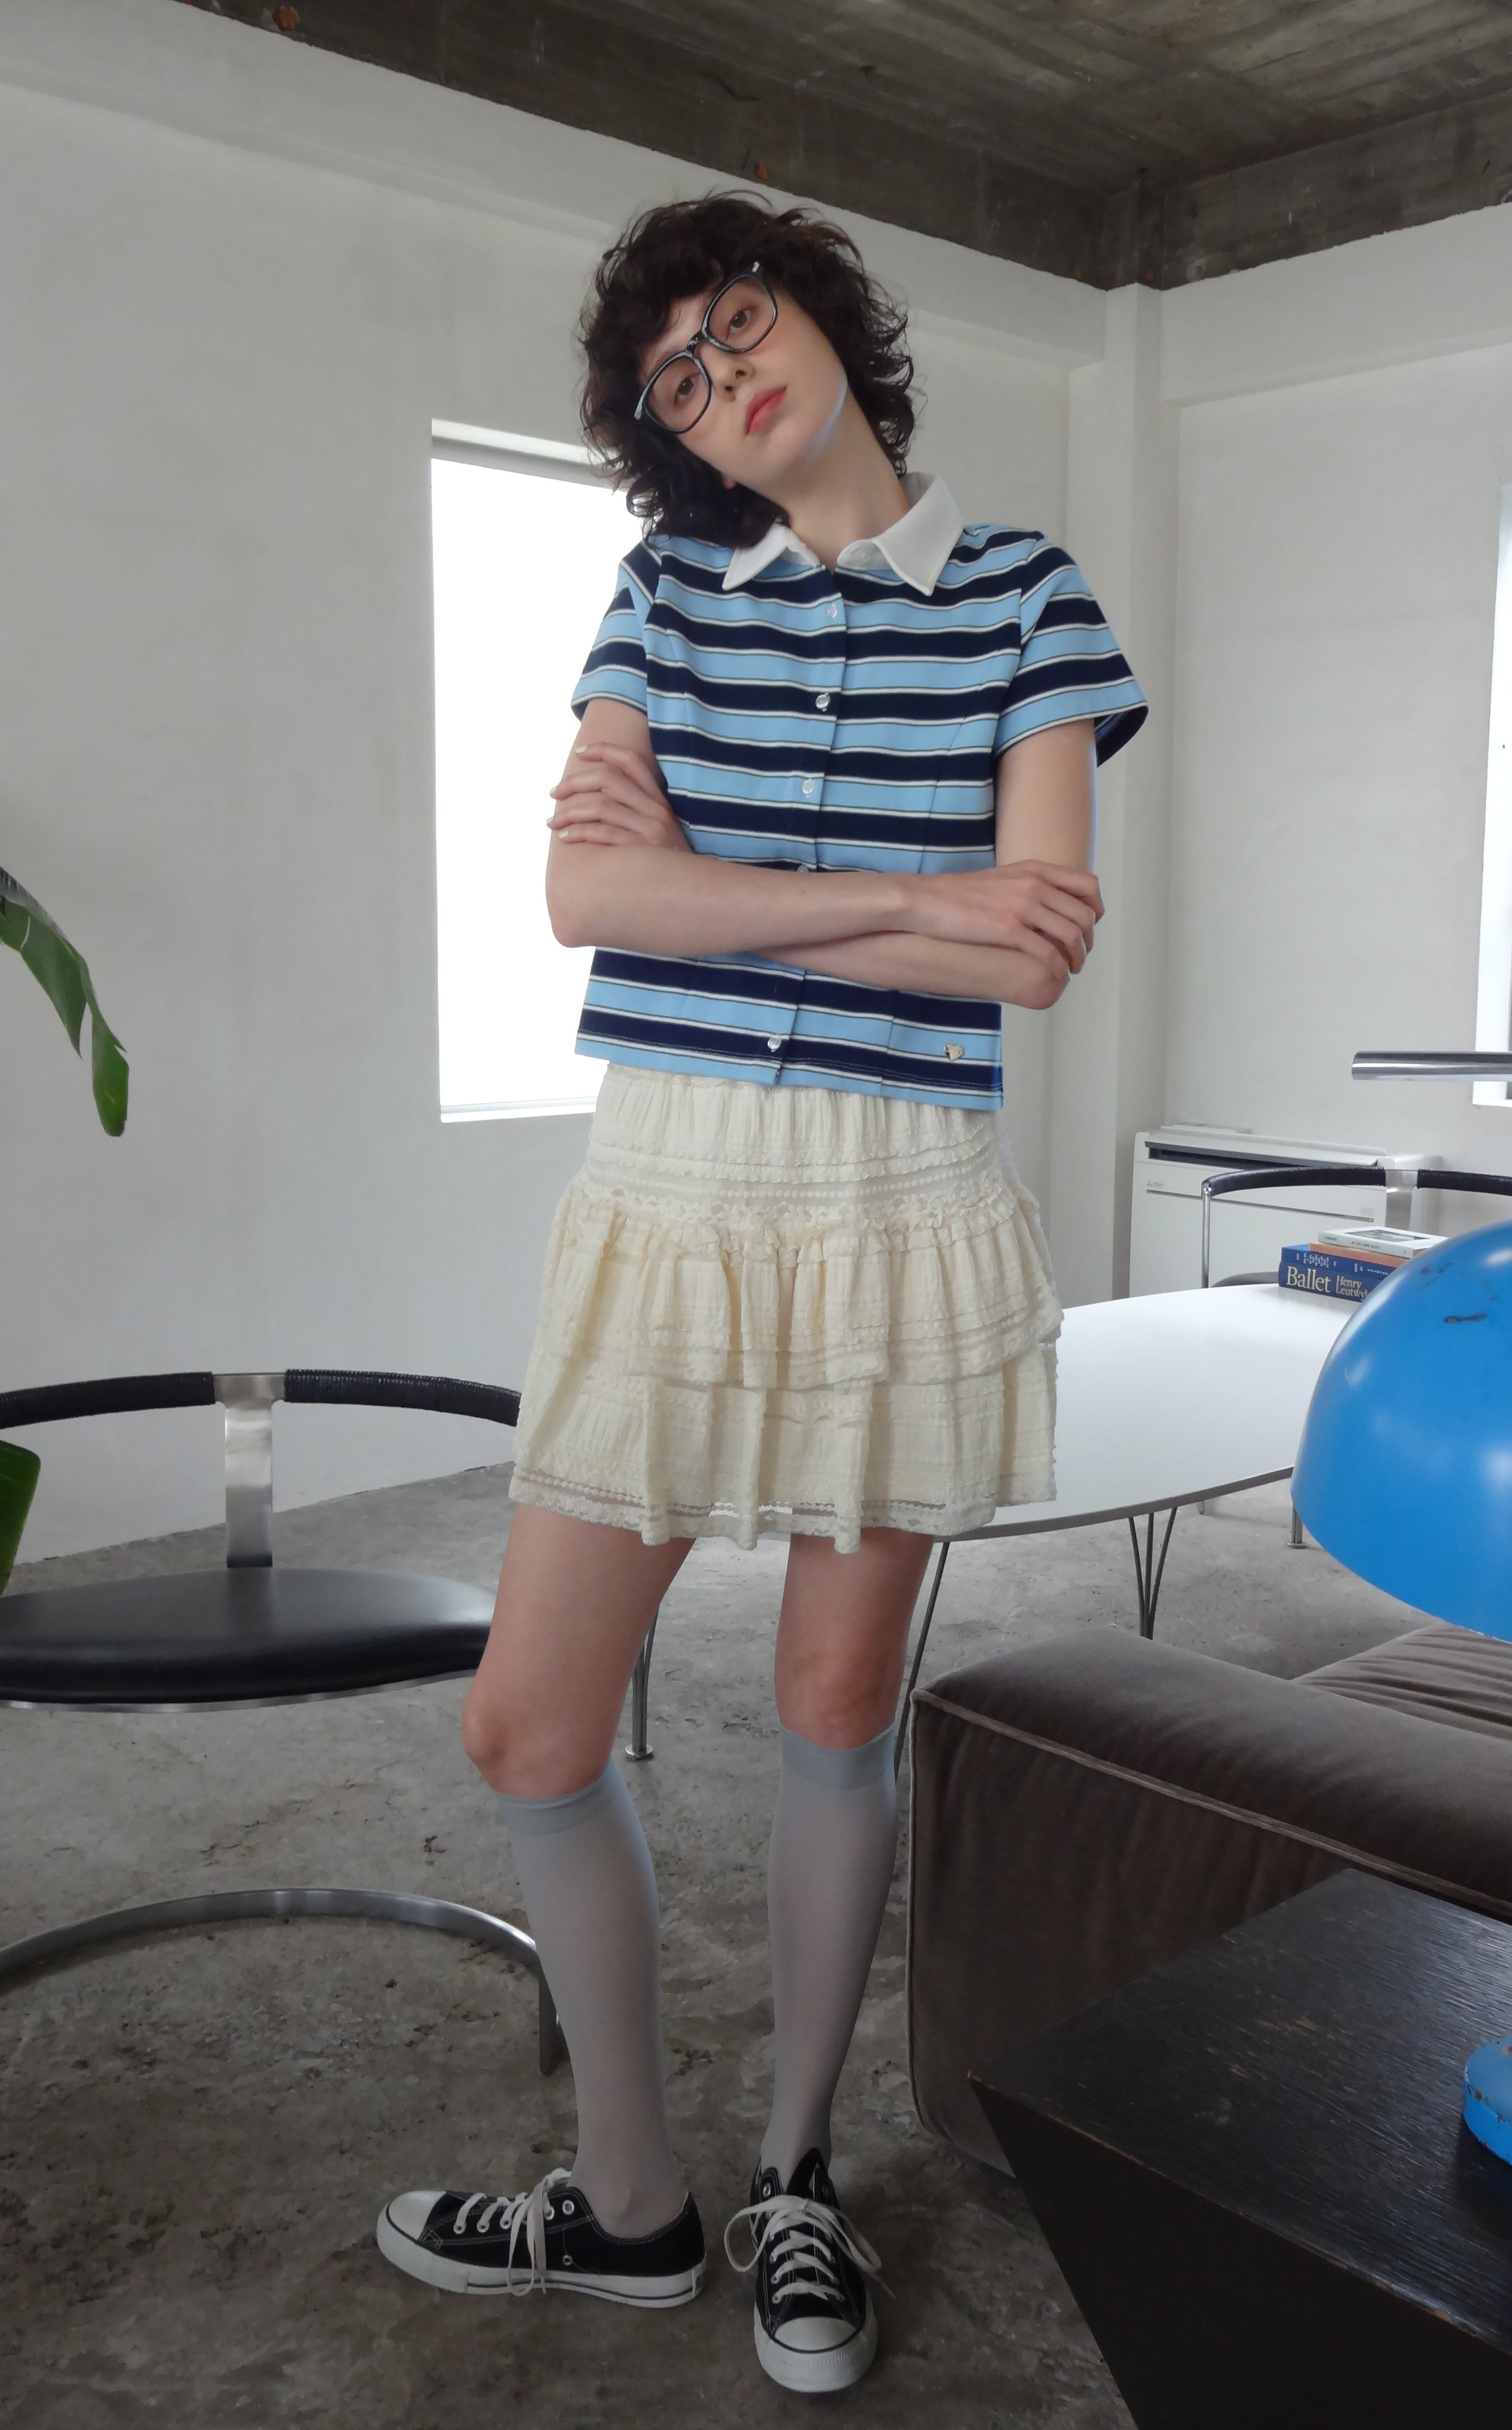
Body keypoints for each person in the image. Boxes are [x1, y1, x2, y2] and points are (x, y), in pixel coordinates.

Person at [377, 191, 1146, 2394]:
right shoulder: (661, 596)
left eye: (740, 324)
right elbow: (582, 902)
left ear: (821, 314)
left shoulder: (1024, 595)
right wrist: (919, 894)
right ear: (675, 441)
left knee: (830, 1708)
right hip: (673, 1188)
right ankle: (628, 2199)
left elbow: (1039, 942)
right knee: (529, 1724)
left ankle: (794, 2176)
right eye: (680, 384)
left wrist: (727, 893)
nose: (726, 379)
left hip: (901, 1199)